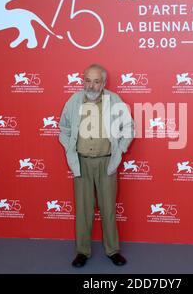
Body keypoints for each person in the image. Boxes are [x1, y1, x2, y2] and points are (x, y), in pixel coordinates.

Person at [58, 64, 134, 267]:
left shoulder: (114, 100)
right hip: (81, 162)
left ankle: (113, 250)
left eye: (96, 81)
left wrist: (122, 147)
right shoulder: (74, 101)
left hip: (106, 161)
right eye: (87, 80)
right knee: (83, 210)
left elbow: (129, 126)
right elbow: (63, 127)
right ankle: (82, 251)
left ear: (104, 83)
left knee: (108, 208)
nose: (91, 86)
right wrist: (69, 148)